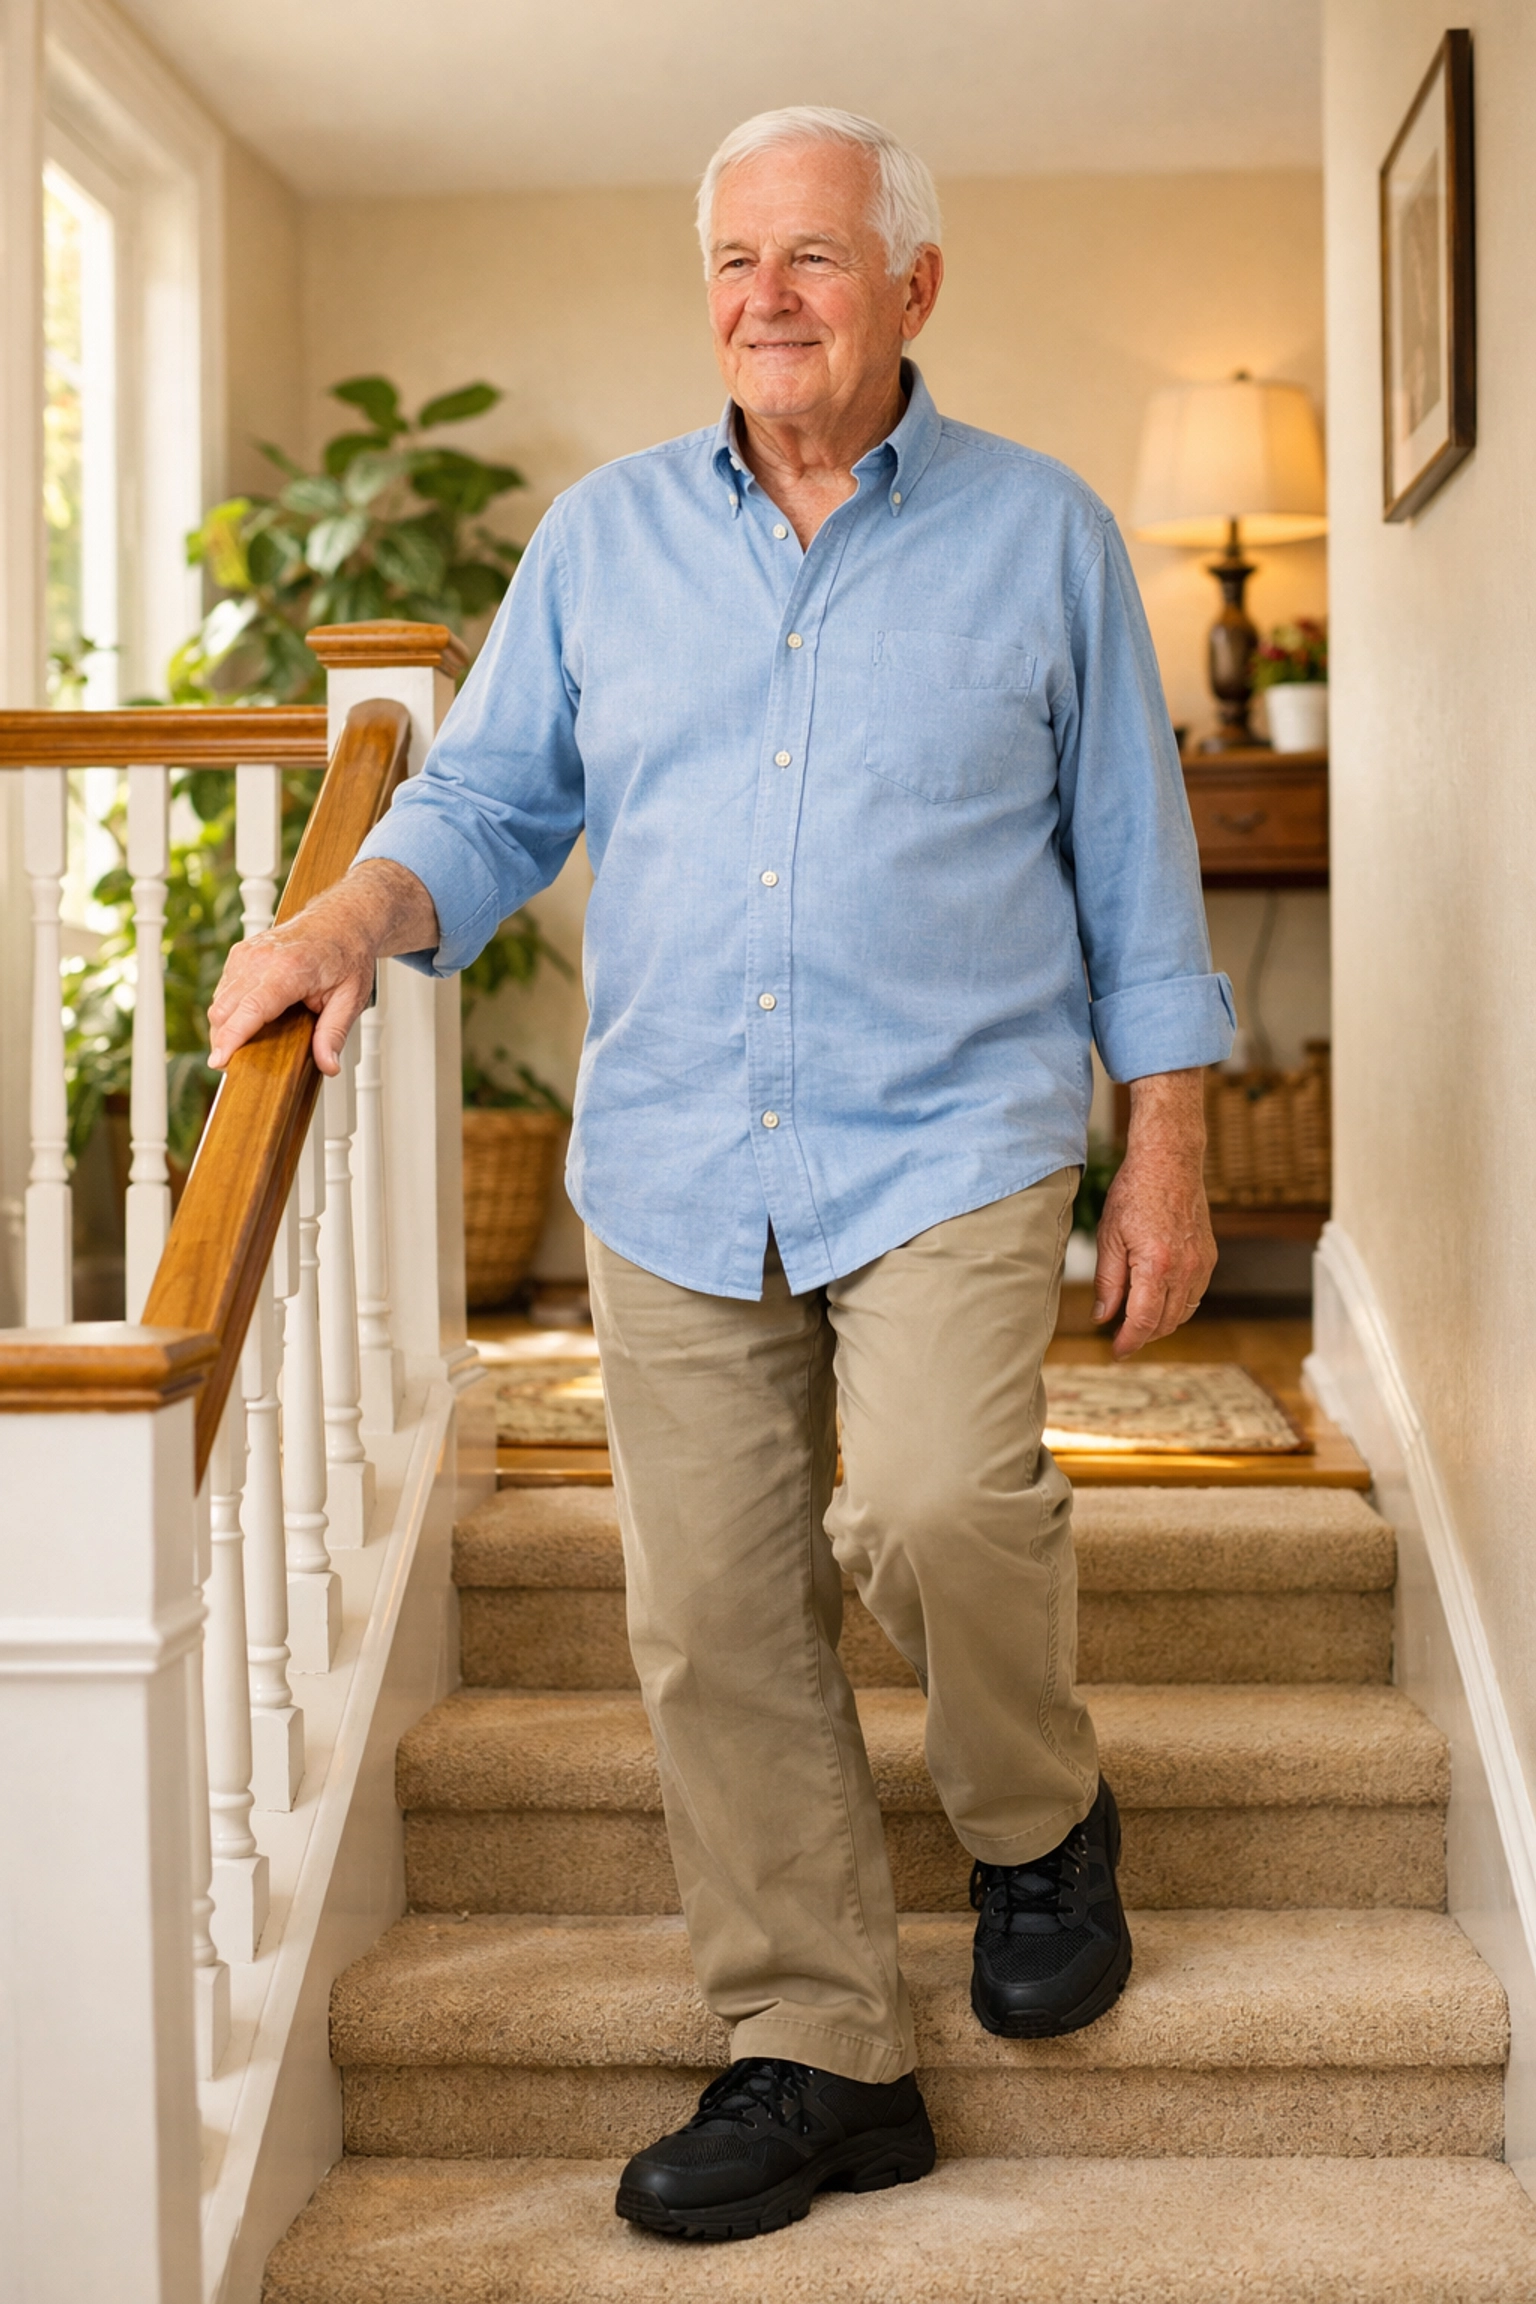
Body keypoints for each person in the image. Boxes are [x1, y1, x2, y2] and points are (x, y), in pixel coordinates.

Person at [207, 106, 1233, 2243]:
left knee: (936, 1499)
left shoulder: (1045, 535)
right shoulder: (600, 543)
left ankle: (1038, 1819)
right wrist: (343, 916)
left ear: (913, 286)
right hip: (677, 1145)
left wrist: (1167, 1150)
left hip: (952, 1125)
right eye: (735, 260)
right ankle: (823, 2048)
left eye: (816, 255)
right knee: (711, 1618)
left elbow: (1138, 869)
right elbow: (487, 802)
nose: (768, 297)